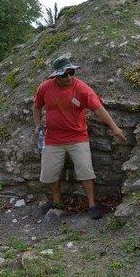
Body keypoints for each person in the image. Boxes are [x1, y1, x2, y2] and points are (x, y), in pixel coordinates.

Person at [32, 56, 127, 220]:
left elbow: (99, 109)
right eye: (64, 74)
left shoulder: (82, 89)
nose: (69, 77)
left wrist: (115, 128)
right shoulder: (45, 88)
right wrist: (37, 125)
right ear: (56, 76)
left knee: (85, 171)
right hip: (53, 138)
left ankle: (92, 204)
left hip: (77, 137)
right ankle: (57, 202)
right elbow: (36, 106)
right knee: (49, 173)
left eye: (72, 72)